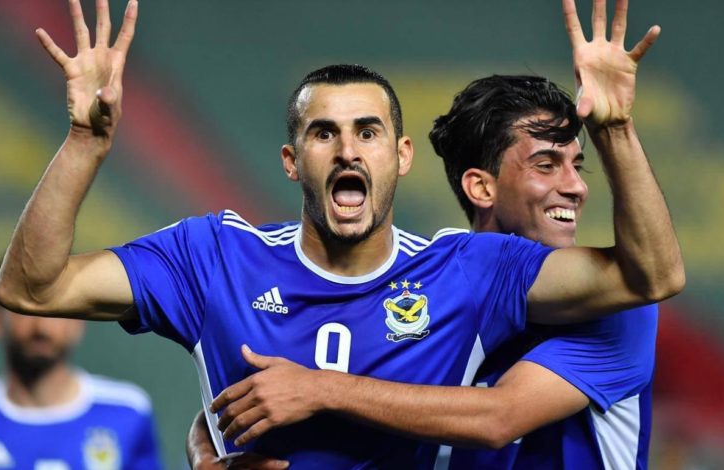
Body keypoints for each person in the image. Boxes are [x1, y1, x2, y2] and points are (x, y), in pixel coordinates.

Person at [0, 0, 682, 468]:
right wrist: (83, 142)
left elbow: (498, 414)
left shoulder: (466, 275)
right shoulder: (214, 258)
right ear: (292, 161)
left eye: (368, 132)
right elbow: (32, 288)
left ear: (400, 157)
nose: (348, 149)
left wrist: (618, 128)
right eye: (324, 133)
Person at [186, 1, 660, 467]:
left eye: (576, 166)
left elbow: (498, 417)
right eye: (546, 164)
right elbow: (295, 387)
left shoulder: (615, 306)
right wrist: (207, 447)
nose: (577, 187)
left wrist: (615, 127)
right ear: (480, 187)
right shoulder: (434, 291)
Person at [0, 267, 162, 470]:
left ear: (78, 320)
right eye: (23, 309)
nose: (41, 327)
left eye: (55, 307)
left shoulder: (127, 411)